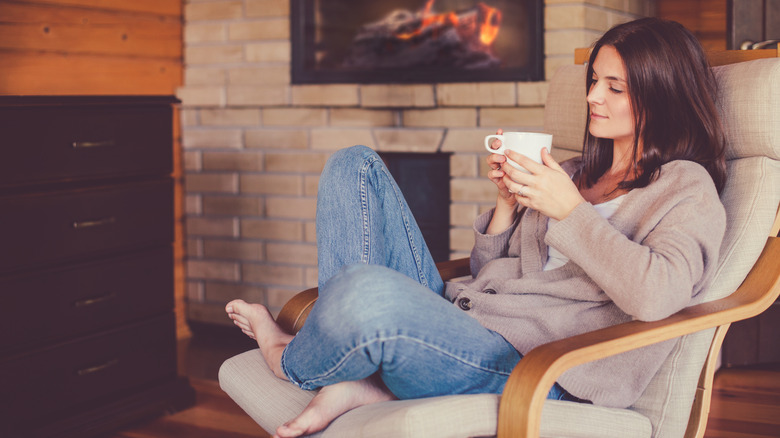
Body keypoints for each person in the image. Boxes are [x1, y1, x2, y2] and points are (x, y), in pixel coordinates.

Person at [226, 17, 727, 438]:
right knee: (353, 166)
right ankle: (363, 378)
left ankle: (287, 356)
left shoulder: (686, 189)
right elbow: (490, 273)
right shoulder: (574, 172)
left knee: (366, 291)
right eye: (593, 80)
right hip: (464, 321)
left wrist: (569, 212)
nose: (594, 96)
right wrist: (506, 205)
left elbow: (659, 295)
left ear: (662, 95)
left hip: (537, 366)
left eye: (614, 87)